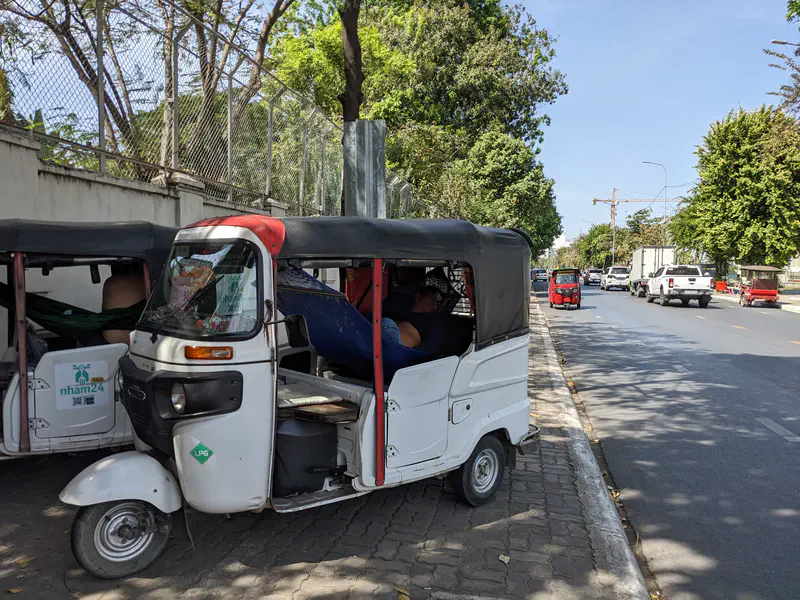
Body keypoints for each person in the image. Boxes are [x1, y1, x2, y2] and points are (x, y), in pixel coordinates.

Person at [381, 285, 444, 350]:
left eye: (437, 303)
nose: (434, 303)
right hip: (382, 336)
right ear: (418, 296)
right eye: (432, 297)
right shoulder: (398, 311)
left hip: (397, 348)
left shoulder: (432, 321)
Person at [101, 262, 147, 344]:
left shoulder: (111, 282)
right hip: (140, 340)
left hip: (111, 340)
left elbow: (105, 313)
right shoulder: (147, 282)